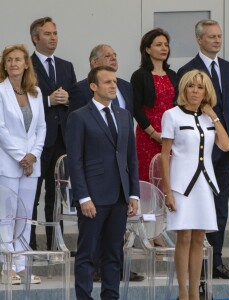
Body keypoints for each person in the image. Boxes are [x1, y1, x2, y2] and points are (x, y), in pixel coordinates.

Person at [68, 44, 143, 282]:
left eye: (115, 82)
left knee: (113, 256)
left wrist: (134, 194)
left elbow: (130, 157)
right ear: (93, 86)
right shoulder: (79, 116)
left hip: (120, 197)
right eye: (107, 82)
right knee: (87, 255)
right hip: (94, 198)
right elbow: (75, 160)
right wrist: (83, 197)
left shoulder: (123, 115)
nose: (114, 86)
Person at [177, 19, 229, 279]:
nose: (217, 40)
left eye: (219, 36)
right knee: (199, 209)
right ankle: (199, 264)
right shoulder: (187, 70)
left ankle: (216, 261)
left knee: (221, 207)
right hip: (198, 152)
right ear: (199, 39)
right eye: (212, 37)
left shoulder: (228, 68)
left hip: (224, 148)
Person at [161, 70, 229, 300]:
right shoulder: (171, 115)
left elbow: (225, 146)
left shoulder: (208, 117)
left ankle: (195, 292)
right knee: (185, 236)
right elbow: (164, 156)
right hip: (181, 186)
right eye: (191, 86)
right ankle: (183, 293)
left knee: (200, 237)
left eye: (200, 87)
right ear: (184, 89)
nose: (195, 91)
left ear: (206, 91)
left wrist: (213, 116)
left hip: (204, 185)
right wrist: (168, 191)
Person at [0, 44, 46, 284]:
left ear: (26, 63)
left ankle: (22, 265)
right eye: (9, 60)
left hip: (31, 164)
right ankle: (8, 267)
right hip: (8, 163)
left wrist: (33, 155)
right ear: (5, 65)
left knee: (25, 216)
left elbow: (41, 128)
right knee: (7, 215)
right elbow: (1, 130)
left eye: (18, 59)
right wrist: (21, 156)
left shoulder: (36, 92)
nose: (14, 64)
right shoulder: (0, 91)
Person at [29, 17, 77, 250]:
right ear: (35, 38)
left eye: (55, 33)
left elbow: (77, 97)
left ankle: (54, 244)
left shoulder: (66, 66)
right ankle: (28, 243)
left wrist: (68, 99)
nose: (53, 37)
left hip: (62, 138)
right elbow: (24, 101)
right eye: (47, 34)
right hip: (37, 140)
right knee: (33, 192)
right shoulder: (26, 66)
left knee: (57, 195)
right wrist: (47, 100)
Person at [131, 28, 177, 182]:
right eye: (158, 45)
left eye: (166, 45)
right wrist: (153, 133)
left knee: (170, 178)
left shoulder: (173, 75)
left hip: (171, 133)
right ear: (147, 49)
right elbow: (135, 109)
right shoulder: (139, 75)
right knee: (149, 178)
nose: (164, 48)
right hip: (148, 134)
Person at [68, 44, 133, 115]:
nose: (114, 58)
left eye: (115, 55)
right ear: (94, 62)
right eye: (107, 56)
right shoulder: (80, 89)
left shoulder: (126, 86)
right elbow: (75, 120)